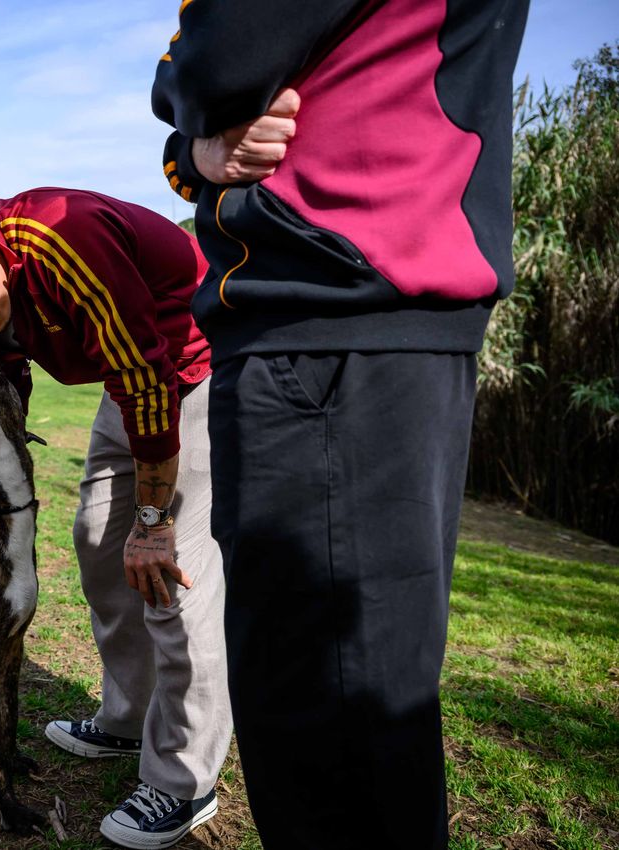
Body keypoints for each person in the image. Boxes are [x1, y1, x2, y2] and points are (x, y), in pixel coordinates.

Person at [151, 1, 530, 847]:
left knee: (322, 724)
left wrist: (182, 101)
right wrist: (195, 150)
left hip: (325, 323)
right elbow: (210, 108)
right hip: (366, 320)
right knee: (369, 706)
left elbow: (217, 56)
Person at [0, 173, 231, 849]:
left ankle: (184, 781)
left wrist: (152, 524)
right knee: (94, 539)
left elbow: (150, 376)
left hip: (194, 370)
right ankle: (127, 718)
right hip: (132, 383)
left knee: (174, 575)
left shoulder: (63, 239)